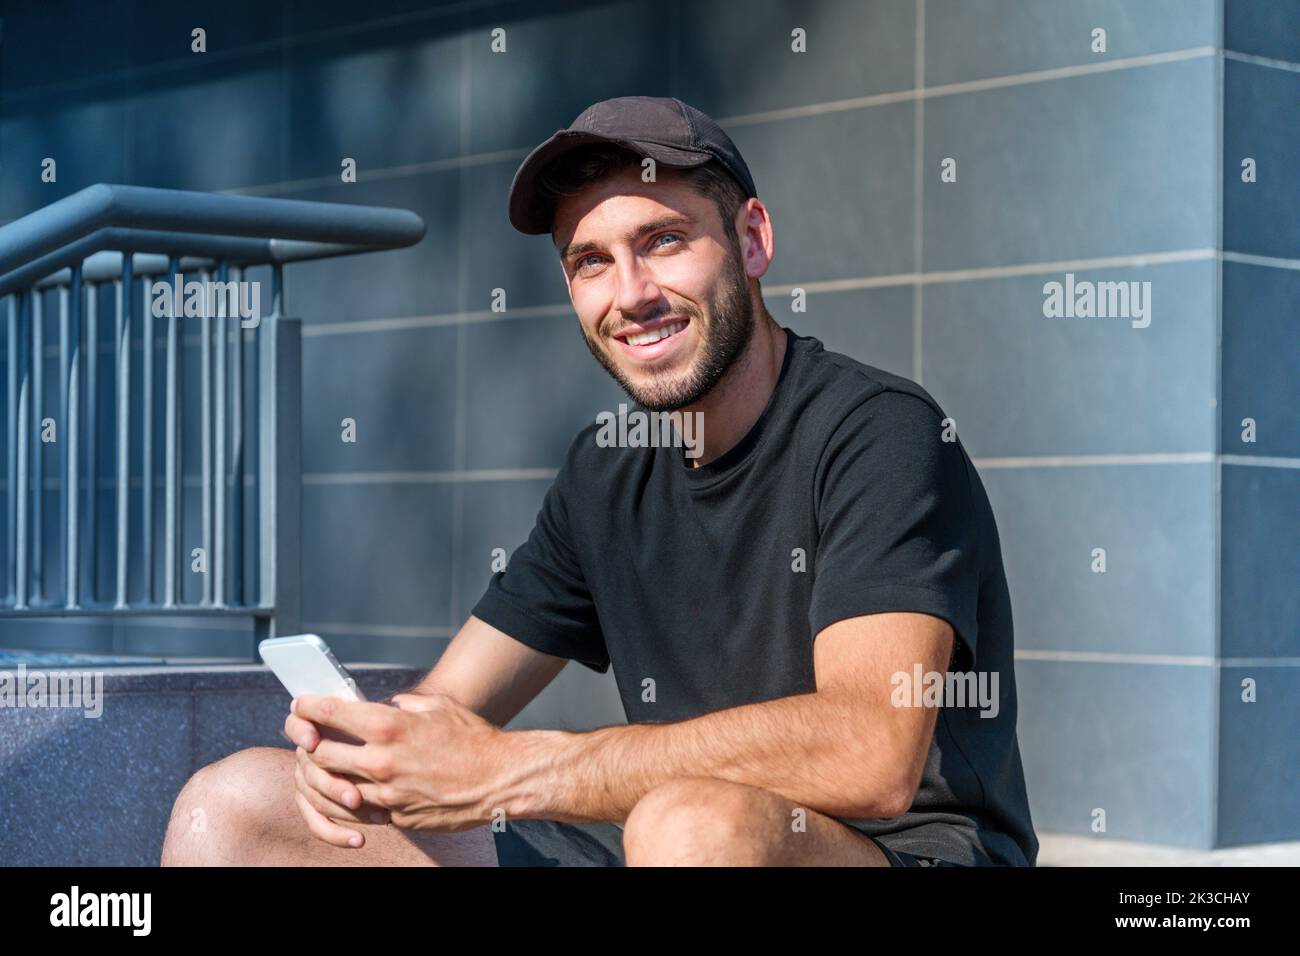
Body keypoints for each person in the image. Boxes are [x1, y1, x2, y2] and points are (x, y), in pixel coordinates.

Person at [161, 95, 1037, 867]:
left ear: (752, 240)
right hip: (660, 843)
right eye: (590, 262)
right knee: (233, 810)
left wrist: (513, 771)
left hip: (900, 855)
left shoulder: (879, 431)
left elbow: (867, 753)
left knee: (692, 827)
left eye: (662, 241)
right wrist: (369, 751)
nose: (632, 294)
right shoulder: (606, 468)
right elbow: (447, 706)